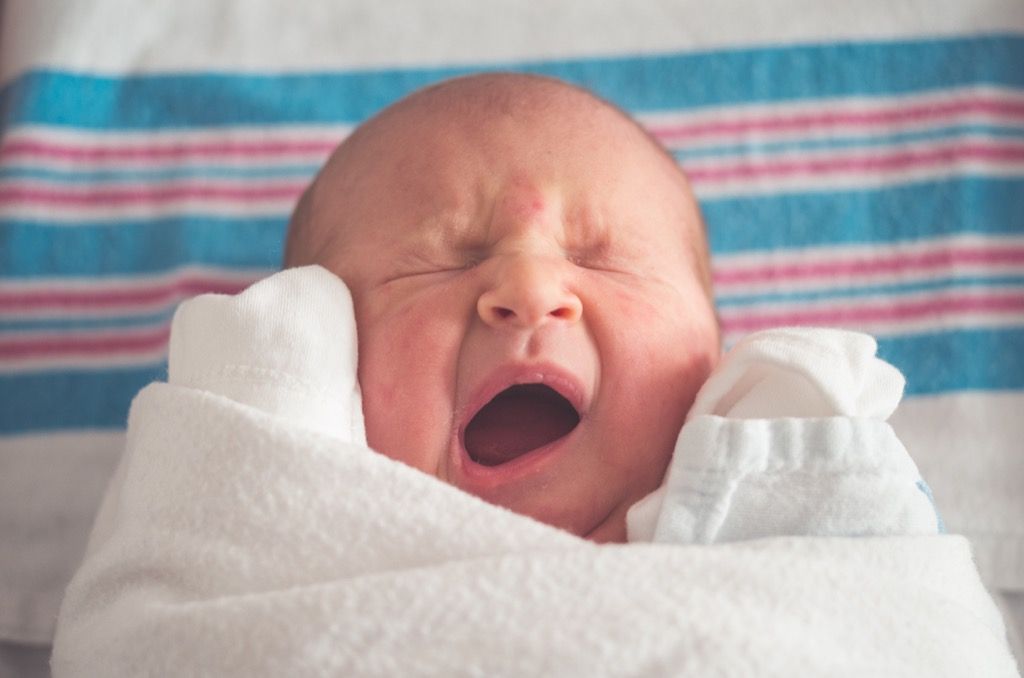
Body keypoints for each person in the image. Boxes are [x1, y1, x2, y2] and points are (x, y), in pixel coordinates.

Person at [282, 71, 940, 544]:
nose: (530, 292)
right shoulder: (268, 540)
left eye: (600, 258)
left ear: (714, 360)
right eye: (442, 260)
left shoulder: (813, 516)